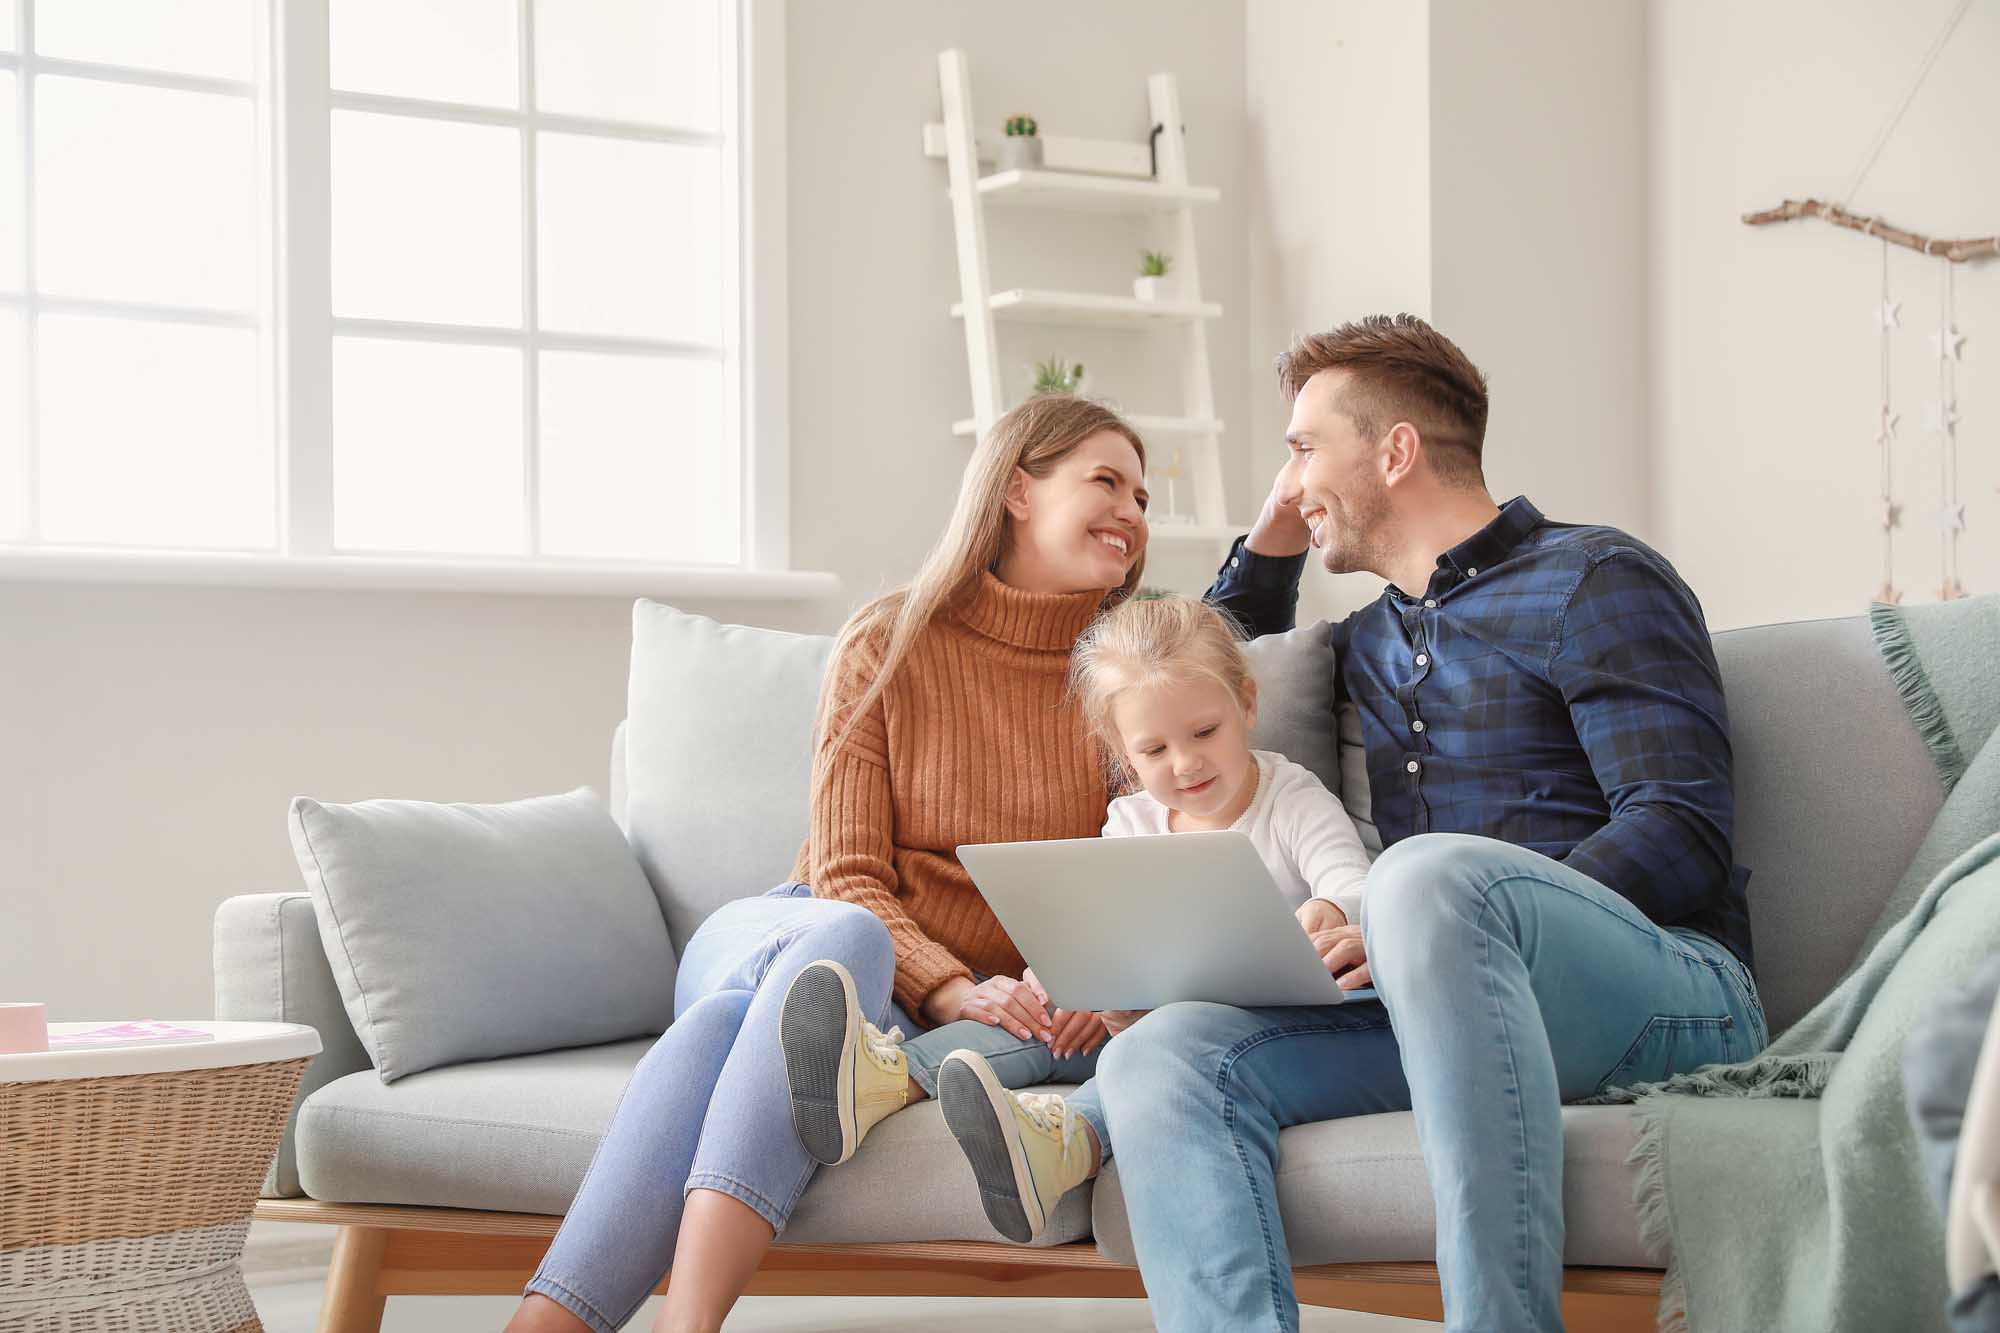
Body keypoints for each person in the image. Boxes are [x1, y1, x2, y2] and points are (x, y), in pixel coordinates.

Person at [1093, 314, 1767, 1332]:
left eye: (1303, 447)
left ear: (1395, 449)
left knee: (1413, 879)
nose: (1291, 476)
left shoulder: (1593, 578)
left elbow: (1678, 826)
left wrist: (1441, 920)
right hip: (1436, 1004)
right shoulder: (1370, 635)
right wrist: (1277, 533)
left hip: (1661, 992)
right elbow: (1194, 663)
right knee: (1158, 1056)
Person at [506, 395, 1149, 1333]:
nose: (1132, 511)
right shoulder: (891, 636)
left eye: (1142, 494)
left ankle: (565, 1325)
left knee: (730, 1031)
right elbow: (844, 873)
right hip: (791, 931)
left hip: (851, 1014)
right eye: (1106, 480)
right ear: (1016, 487)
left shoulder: (1123, 680)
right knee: (842, 939)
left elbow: (1153, 845)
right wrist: (950, 988)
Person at [929, 594, 1374, 1245]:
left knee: (1153, 1052)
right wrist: (1080, 975)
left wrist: (1328, 909)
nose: (1186, 763)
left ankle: (1060, 1141)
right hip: (1151, 1017)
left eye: (1204, 732)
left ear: (1246, 705)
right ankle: (894, 1073)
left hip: (1265, 1028)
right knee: (1040, 1013)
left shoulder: (1291, 798)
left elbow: (1358, 888)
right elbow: (1113, 927)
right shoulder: (1131, 822)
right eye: (1155, 748)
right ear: (1121, 752)